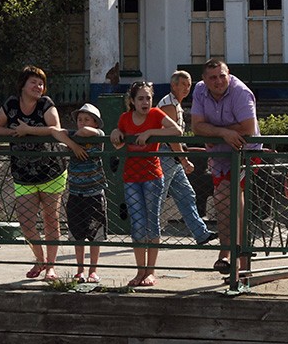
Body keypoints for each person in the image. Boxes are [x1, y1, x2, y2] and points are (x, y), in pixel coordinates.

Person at [0, 65, 70, 280]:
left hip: (51, 170)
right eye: (33, 82)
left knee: (50, 219)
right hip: (23, 172)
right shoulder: (11, 104)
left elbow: (56, 128)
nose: (38, 86)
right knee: (26, 223)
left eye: (41, 83)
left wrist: (28, 131)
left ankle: (51, 266)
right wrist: (14, 133)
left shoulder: (46, 103)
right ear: (22, 85)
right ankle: (39, 259)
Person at [190, 59, 261, 276]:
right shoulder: (200, 91)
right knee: (222, 199)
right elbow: (196, 126)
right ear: (204, 79)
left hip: (246, 152)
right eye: (213, 77)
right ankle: (228, 254)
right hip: (220, 154)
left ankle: (237, 256)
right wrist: (223, 133)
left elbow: (248, 128)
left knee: (230, 195)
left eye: (222, 75)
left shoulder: (241, 92)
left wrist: (213, 131)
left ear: (228, 73)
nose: (218, 81)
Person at [110, 82, 185, 287]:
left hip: (152, 175)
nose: (145, 102)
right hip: (131, 177)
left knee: (152, 221)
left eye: (148, 98)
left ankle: (151, 272)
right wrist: (115, 133)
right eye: (141, 98)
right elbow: (118, 144)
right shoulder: (125, 118)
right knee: (137, 224)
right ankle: (140, 270)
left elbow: (177, 131)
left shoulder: (156, 115)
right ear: (132, 101)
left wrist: (151, 132)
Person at [157, 70, 217, 247]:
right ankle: (150, 234)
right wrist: (183, 159)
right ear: (173, 85)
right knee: (158, 197)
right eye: (183, 84)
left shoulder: (176, 105)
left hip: (172, 157)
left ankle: (201, 233)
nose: (186, 88)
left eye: (189, 84)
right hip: (166, 155)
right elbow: (171, 137)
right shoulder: (168, 105)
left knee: (187, 195)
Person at [52, 103, 107, 284]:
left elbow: (87, 133)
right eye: (80, 120)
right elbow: (55, 131)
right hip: (75, 192)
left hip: (94, 193)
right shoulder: (73, 137)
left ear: (95, 123)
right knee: (77, 234)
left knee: (95, 233)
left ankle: (93, 270)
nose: (82, 123)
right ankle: (80, 269)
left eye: (87, 120)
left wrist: (75, 137)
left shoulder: (98, 137)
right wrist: (72, 145)